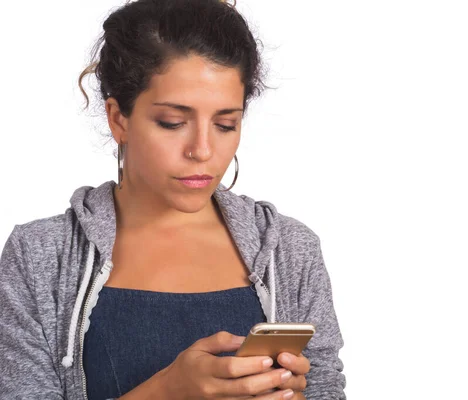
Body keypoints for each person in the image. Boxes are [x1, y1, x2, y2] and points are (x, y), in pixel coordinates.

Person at [0, 0, 346, 399]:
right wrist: (167, 391)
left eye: (225, 124)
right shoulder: (40, 255)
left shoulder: (288, 250)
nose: (202, 150)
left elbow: (325, 389)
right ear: (119, 119)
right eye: (173, 123)